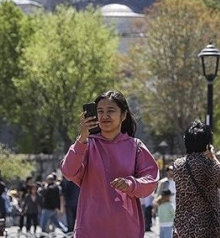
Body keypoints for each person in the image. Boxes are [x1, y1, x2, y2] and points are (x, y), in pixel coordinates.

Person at [61, 90, 159, 237]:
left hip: (126, 228)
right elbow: (68, 171)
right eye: (100, 111)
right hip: (90, 228)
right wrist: (81, 138)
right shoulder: (86, 145)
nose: (104, 116)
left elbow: (151, 180)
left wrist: (131, 184)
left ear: (123, 115)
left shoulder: (135, 146)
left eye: (111, 111)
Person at [172, 120, 220, 238]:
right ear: (207, 145)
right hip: (207, 228)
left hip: (183, 227)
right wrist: (213, 157)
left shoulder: (177, 165)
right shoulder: (208, 164)